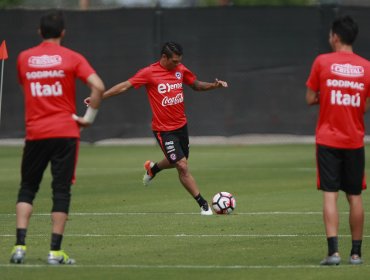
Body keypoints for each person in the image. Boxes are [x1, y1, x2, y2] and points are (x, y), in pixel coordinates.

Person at [86, 42, 227, 215]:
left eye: (179, 61)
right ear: (164, 57)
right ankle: (203, 204)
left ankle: (153, 169)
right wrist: (100, 97)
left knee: (177, 159)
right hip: (164, 130)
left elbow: (195, 85)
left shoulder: (180, 69)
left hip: (181, 126)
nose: (178, 64)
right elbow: (125, 85)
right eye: (174, 61)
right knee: (182, 165)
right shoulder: (149, 73)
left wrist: (214, 86)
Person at [10, 10, 105, 265]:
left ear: (39, 32)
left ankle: (19, 247)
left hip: (36, 132)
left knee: (27, 188)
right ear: (63, 32)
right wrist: (88, 118)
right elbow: (98, 86)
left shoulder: (24, 58)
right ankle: (54, 252)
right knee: (60, 190)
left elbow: (25, 88)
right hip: (65, 132)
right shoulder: (72, 58)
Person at [306, 15, 370, 265]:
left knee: (330, 194)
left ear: (335, 36)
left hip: (328, 139)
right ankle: (356, 253)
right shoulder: (366, 67)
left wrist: (330, 93)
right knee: (354, 196)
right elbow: (364, 106)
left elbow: (310, 97)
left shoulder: (322, 62)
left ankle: (333, 252)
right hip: (354, 139)